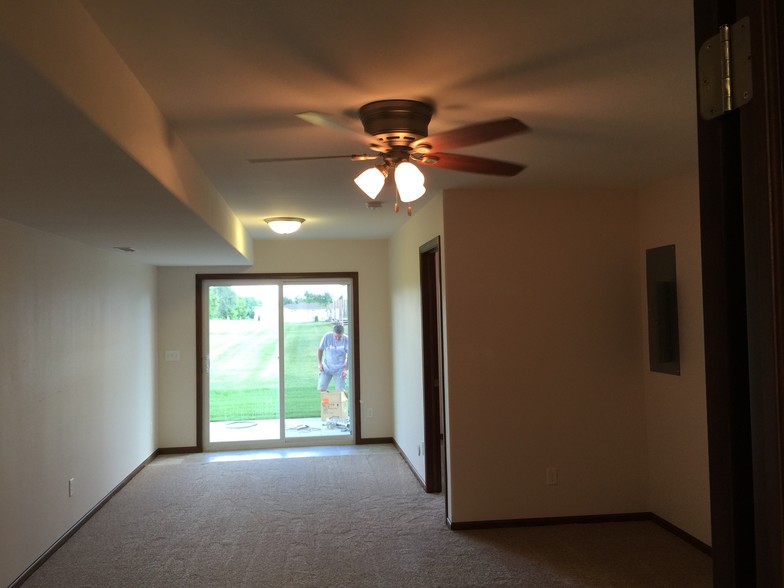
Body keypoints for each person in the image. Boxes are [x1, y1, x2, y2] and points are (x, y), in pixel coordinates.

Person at [317, 323, 349, 393]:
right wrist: (319, 363)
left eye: (339, 337)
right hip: (326, 367)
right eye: (336, 336)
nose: (337, 338)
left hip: (340, 369)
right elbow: (320, 350)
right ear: (333, 333)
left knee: (340, 391)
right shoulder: (327, 336)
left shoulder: (347, 340)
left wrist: (346, 369)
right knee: (322, 388)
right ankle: (327, 404)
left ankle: (339, 403)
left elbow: (350, 355)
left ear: (343, 334)